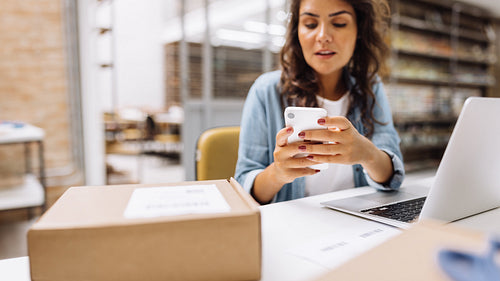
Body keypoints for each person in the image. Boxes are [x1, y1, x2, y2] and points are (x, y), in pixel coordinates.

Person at [235, 0, 404, 204]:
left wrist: (368, 154)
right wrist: (277, 173)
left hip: (359, 224)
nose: (323, 36)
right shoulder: (266, 91)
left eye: (339, 23)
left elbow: (392, 178)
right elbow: (244, 189)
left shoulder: (370, 87)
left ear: (359, 30)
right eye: (310, 24)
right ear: (296, 31)